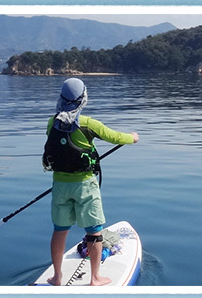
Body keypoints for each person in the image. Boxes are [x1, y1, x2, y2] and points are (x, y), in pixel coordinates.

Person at [42, 78, 139, 286]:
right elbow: (114, 137)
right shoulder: (88, 124)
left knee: (60, 229)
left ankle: (57, 277)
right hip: (85, 185)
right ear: (82, 99)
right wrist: (133, 137)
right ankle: (95, 278)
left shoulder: (52, 123)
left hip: (59, 186)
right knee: (94, 230)